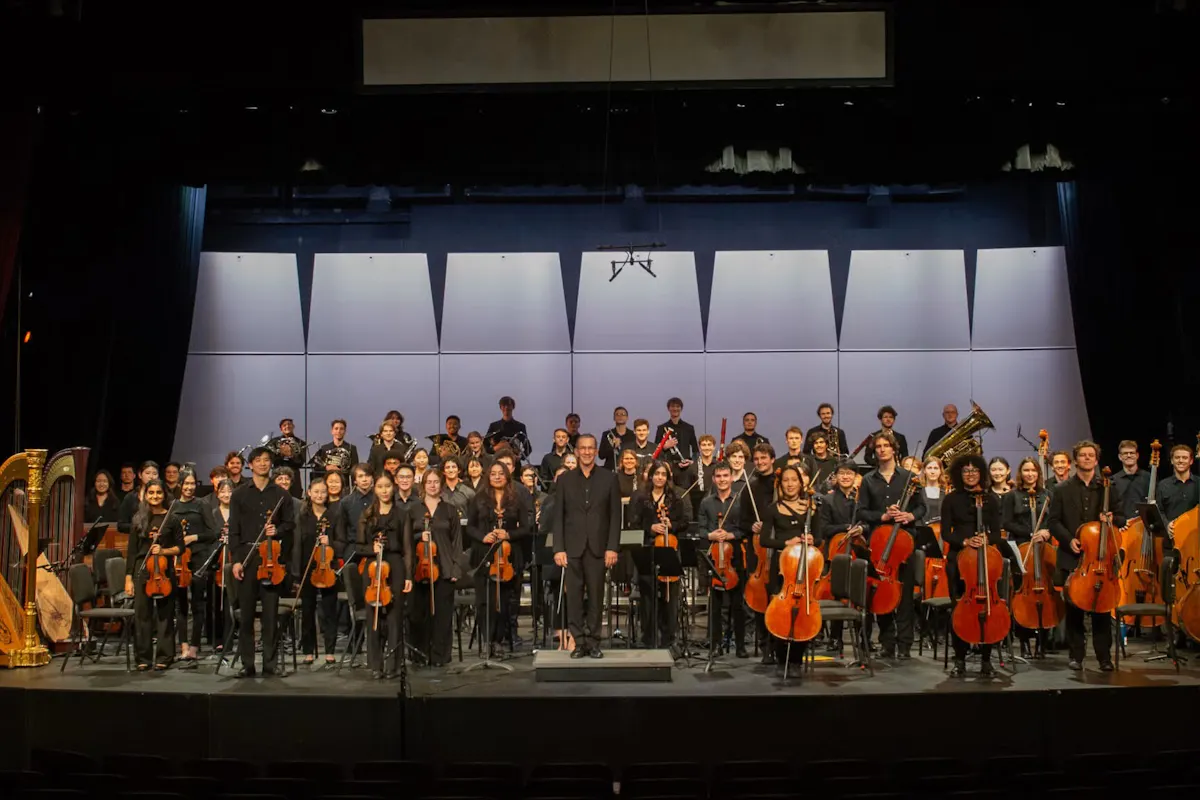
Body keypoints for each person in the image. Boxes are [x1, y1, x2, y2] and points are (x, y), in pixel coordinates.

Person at [1048, 440, 1121, 671]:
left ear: (1096, 460)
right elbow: (1053, 522)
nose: (1087, 458)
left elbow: (1121, 517)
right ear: (1076, 459)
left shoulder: (1107, 487)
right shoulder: (1061, 489)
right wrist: (1069, 540)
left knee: (1101, 610)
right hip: (1073, 556)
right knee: (1075, 609)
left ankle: (1104, 657)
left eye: (1091, 455)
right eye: (1083, 455)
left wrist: (1111, 518)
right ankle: (1076, 655)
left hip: (1100, 559)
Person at [228, 446, 297, 678]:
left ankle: (270, 664)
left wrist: (276, 530)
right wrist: (236, 560)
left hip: (271, 559)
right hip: (247, 558)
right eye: (258, 460)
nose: (263, 464)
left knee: (270, 615)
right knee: (246, 615)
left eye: (267, 460)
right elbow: (234, 531)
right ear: (250, 464)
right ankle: (247, 664)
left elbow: (290, 525)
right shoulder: (238, 494)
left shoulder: (281, 495)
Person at [858, 433, 926, 659]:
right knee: (881, 595)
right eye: (878, 446)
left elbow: (921, 508)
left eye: (886, 445)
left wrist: (908, 516)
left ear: (894, 449)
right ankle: (887, 644)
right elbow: (862, 512)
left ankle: (905, 645)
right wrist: (884, 516)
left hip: (903, 544)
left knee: (905, 598)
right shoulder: (868, 480)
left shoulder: (910, 477)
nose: (881, 449)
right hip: (879, 544)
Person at [553, 434, 621, 659]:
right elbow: (558, 518)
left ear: (595, 451)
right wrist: (558, 548)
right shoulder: (564, 480)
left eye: (591, 448)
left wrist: (612, 547)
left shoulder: (609, 478)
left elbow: (615, 516)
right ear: (577, 451)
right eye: (583, 448)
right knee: (573, 597)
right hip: (571, 548)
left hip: (599, 548)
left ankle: (593, 642)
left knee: (595, 596)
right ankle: (579, 641)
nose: (587, 452)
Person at [942, 454, 1008, 677]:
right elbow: (945, 533)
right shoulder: (951, 499)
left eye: (974, 470)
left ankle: (986, 660)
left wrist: (988, 540)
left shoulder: (991, 500)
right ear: (959, 474)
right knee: (959, 610)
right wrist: (965, 542)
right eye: (965, 471)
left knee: (987, 608)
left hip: (985, 560)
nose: (970, 475)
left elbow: (998, 532)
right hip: (959, 561)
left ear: (981, 472)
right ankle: (959, 659)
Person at [759, 465, 821, 666]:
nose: (790, 484)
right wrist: (786, 543)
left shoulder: (811, 507)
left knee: (803, 611)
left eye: (794, 480)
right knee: (781, 611)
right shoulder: (772, 509)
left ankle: (797, 658)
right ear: (780, 484)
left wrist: (813, 539)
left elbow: (820, 537)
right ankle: (780, 654)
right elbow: (764, 540)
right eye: (785, 480)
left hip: (805, 567)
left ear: (800, 483)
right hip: (783, 567)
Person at [467, 461, 531, 654]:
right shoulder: (478, 499)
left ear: (507, 477)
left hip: (507, 557)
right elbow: (470, 527)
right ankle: (486, 640)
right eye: (493, 473)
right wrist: (483, 536)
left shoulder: (516, 500)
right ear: (488, 476)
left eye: (500, 473)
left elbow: (527, 528)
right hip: (484, 553)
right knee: (485, 601)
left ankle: (498, 640)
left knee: (503, 602)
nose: (496, 477)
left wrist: (509, 535)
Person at [355, 470, 413, 679]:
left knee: (395, 617)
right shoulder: (368, 515)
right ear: (374, 489)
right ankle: (375, 664)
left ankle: (393, 665)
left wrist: (408, 576)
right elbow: (358, 548)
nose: (384, 490)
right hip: (373, 569)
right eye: (380, 487)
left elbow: (407, 548)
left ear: (394, 487)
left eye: (387, 486)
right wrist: (373, 549)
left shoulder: (402, 514)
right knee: (374, 617)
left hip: (396, 566)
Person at [407, 470, 464, 668]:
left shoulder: (449, 510)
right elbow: (406, 539)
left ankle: (440, 656)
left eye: (435, 482)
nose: (432, 485)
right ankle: (420, 654)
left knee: (442, 615)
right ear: (423, 485)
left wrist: (456, 569)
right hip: (419, 569)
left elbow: (457, 542)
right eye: (428, 482)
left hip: (445, 567)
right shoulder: (413, 510)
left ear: (441, 484)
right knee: (419, 614)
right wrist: (417, 537)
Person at [634, 460, 688, 654]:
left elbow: (684, 522)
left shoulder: (675, 499)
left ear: (668, 477)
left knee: (670, 598)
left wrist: (671, 524)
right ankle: (648, 637)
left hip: (669, 550)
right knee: (648, 597)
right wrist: (651, 527)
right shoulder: (641, 499)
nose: (660, 477)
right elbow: (634, 523)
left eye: (663, 474)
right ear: (651, 476)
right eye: (656, 474)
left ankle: (669, 638)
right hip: (648, 549)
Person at [124, 479, 178, 671]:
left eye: (159, 493)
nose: (155, 496)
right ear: (145, 495)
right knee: (142, 615)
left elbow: (180, 547)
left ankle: (165, 656)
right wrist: (128, 578)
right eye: (151, 493)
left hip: (164, 571)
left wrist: (163, 552)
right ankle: (143, 658)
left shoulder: (171, 518)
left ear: (165, 495)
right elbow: (131, 551)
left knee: (165, 615)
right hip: (142, 569)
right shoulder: (139, 519)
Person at [698, 462, 748, 658]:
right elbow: (700, 529)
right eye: (718, 476)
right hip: (714, 557)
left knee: (738, 605)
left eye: (725, 476)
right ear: (713, 479)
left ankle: (741, 646)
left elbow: (744, 528)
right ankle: (716, 644)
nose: (722, 480)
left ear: (731, 478)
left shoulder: (739, 502)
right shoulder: (706, 503)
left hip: (734, 556)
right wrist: (710, 536)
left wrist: (730, 535)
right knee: (715, 606)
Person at [1003, 457, 1051, 657]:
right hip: (1020, 548)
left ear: (1038, 473)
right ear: (1020, 473)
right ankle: (1023, 640)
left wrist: (1047, 532)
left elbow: (1053, 519)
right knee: (1021, 593)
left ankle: (1042, 642)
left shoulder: (1047, 495)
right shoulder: (1012, 496)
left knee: (1045, 593)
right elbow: (1006, 522)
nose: (1030, 474)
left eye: (1033, 470)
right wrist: (1030, 533)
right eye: (1026, 470)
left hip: (1042, 548)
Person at [164, 470, 214, 664]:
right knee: (181, 604)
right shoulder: (173, 506)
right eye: (186, 484)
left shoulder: (202, 504)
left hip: (199, 557)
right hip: (178, 560)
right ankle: (183, 646)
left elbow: (213, 533)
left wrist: (193, 537)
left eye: (193, 484)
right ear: (180, 485)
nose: (189, 487)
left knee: (198, 604)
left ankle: (194, 647)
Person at [294, 477, 339, 667]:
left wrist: (331, 543)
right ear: (309, 493)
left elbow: (342, 541)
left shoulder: (334, 516)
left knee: (329, 610)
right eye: (316, 491)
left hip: (328, 568)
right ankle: (308, 650)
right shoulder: (302, 517)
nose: (320, 495)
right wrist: (296, 573)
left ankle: (329, 650)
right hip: (308, 567)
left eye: (323, 491)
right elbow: (296, 545)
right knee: (308, 610)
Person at [1159, 443, 1198, 533]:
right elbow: (1159, 511)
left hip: (1195, 538)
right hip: (1172, 539)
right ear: (1172, 461)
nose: (1180, 461)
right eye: (1177, 457)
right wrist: (1166, 524)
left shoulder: (1198, 483)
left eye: (1184, 458)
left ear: (1191, 461)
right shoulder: (1163, 485)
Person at [268, 418, 307, 498]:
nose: (287, 426)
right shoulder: (273, 442)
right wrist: (281, 454)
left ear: (293, 426)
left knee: (295, 498)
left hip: (294, 476)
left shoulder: (301, 443)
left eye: (289, 424)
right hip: (277, 475)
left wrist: (291, 455)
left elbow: (301, 461)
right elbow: (270, 458)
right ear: (281, 429)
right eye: (284, 425)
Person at [654, 397, 698, 467]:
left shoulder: (689, 428)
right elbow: (655, 450)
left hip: (685, 466)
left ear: (681, 409)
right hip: (668, 466)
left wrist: (692, 462)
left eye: (678, 406)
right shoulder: (661, 428)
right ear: (668, 409)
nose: (675, 409)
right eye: (672, 406)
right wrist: (664, 447)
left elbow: (696, 450)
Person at [485, 396, 532, 460]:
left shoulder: (520, 426)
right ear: (500, 408)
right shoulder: (494, 426)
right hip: (498, 463)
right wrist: (496, 448)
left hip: (515, 465)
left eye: (509, 405)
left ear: (513, 407)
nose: (506, 408)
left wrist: (519, 458)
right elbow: (484, 447)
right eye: (504, 405)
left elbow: (528, 448)